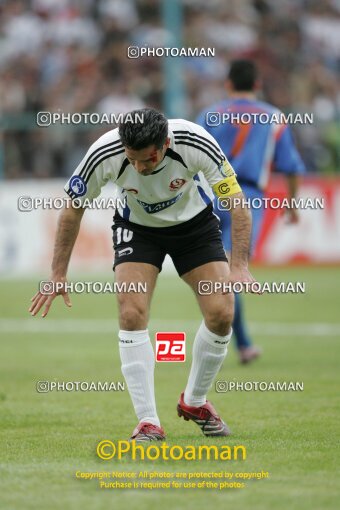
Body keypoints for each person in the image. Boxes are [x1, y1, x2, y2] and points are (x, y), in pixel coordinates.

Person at [29, 107, 258, 442]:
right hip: (137, 230)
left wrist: (239, 265)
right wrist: (57, 273)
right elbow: (72, 209)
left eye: (147, 160)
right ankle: (148, 421)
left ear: (165, 143)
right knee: (131, 312)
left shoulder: (195, 141)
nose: (139, 167)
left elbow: (238, 205)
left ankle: (195, 402)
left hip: (194, 227)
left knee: (222, 313)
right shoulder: (103, 152)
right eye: (132, 159)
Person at [196, 60, 306, 364]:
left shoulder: (209, 114)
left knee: (220, 271)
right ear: (257, 85)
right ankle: (239, 342)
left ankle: (236, 339)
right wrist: (293, 204)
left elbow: (188, 154)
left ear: (228, 84)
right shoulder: (274, 117)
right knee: (235, 271)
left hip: (210, 194)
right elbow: (291, 167)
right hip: (249, 199)